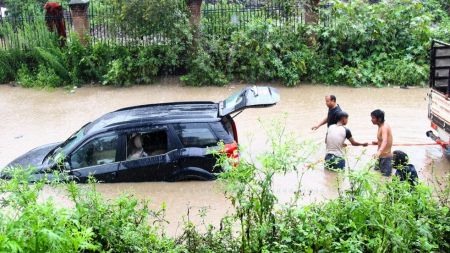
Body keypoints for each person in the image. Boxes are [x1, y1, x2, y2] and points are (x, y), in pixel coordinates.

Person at [371, 109, 393, 176]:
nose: (371, 120)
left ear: (379, 119)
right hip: (380, 157)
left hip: (386, 158)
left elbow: (385, 140)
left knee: (386, 178)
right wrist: (377, 142)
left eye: (373, 118)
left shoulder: (384, 127)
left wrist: (379, 152)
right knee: (377, 175)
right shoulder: (380, 126)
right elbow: (383, 139)